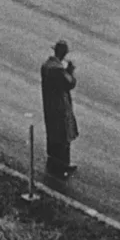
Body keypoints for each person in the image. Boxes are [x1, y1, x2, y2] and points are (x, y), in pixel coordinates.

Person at [40, 39, 79, 177]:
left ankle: (53, 160)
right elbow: (69, 83)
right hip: (60, 105)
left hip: (49, 104)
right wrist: (71, 71)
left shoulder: (46, 65)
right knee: (63, 134)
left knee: (53, 133)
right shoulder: (58, 69)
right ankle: (62, 164)